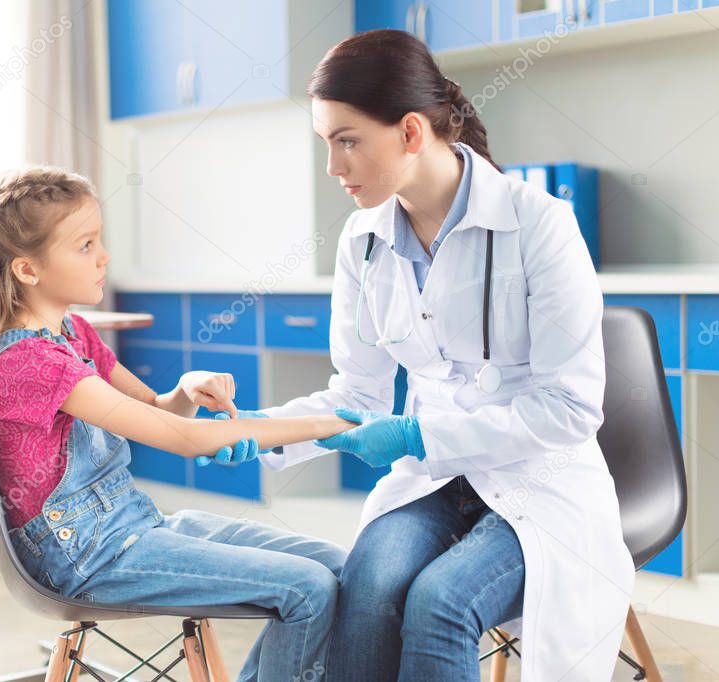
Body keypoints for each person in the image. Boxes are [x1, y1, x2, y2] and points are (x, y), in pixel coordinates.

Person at [223, 29, 634, 681]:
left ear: (410, 132)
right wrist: (258, 429)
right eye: (325, 143)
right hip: (434, 478)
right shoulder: (362, 241)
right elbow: (354, 394)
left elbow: (568, 408)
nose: (333, 167)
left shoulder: (538, 225)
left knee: (439, 603)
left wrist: (417, 431)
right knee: (368, 584)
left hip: (541, 476)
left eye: (346, 140)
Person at [0, 167, 355, 681]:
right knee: (307, 589)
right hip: (83, 556)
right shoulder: (31, 365)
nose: (104, 257)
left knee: (336, 565)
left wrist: (185, 389)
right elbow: (185, 439)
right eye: (85, 245)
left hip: (130, 526)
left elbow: (161, 414)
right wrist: (329, 425)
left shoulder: (73, 333)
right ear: (28, 269)